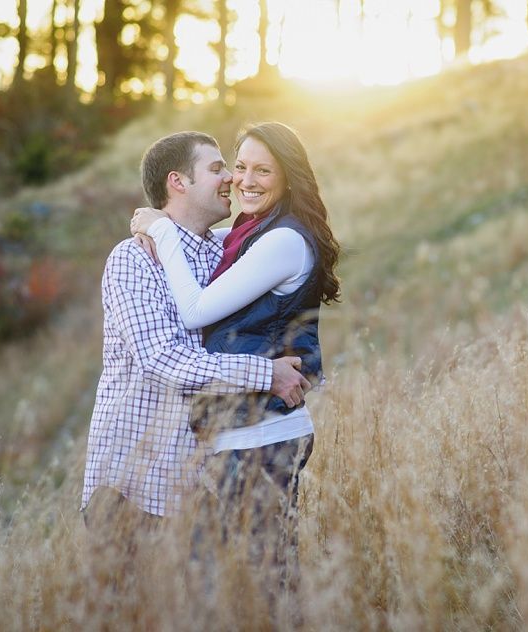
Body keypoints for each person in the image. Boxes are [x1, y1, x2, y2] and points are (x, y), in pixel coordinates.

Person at [129, 122, 342, 601]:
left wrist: (160, 229)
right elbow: (200, 232)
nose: (244, 179)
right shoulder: (251, 232)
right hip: (242, 435)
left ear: (289, 178)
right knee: (248, 584)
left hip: (262, 437)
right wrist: (153, 219)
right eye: (239, 166)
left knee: (265, 586)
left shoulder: (282, 241)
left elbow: (197, 309)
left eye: (263, 170)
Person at [80, 130, 311, 550]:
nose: (233, 180)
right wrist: (266, 374)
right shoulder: (133, 259)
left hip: (197, 485)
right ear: (178, 182)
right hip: (132, 486)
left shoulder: (220, 253)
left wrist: (157, 223)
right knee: (128, 614)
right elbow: (162, 360)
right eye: (219, 168)